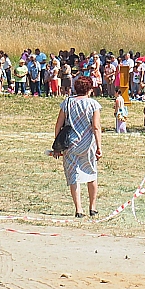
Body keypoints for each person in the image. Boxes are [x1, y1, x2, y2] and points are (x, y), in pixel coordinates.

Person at [54, 76, 102, 217]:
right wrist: (99, 147)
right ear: (89, 89)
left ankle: (78, 209)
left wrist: (57, 144)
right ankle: (92, 208)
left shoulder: (67, 103)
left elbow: (58, 125)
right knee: (91, 174)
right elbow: (96, 126)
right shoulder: (93, 104)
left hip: (71, 144)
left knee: (73, 175)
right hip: (88, 144)